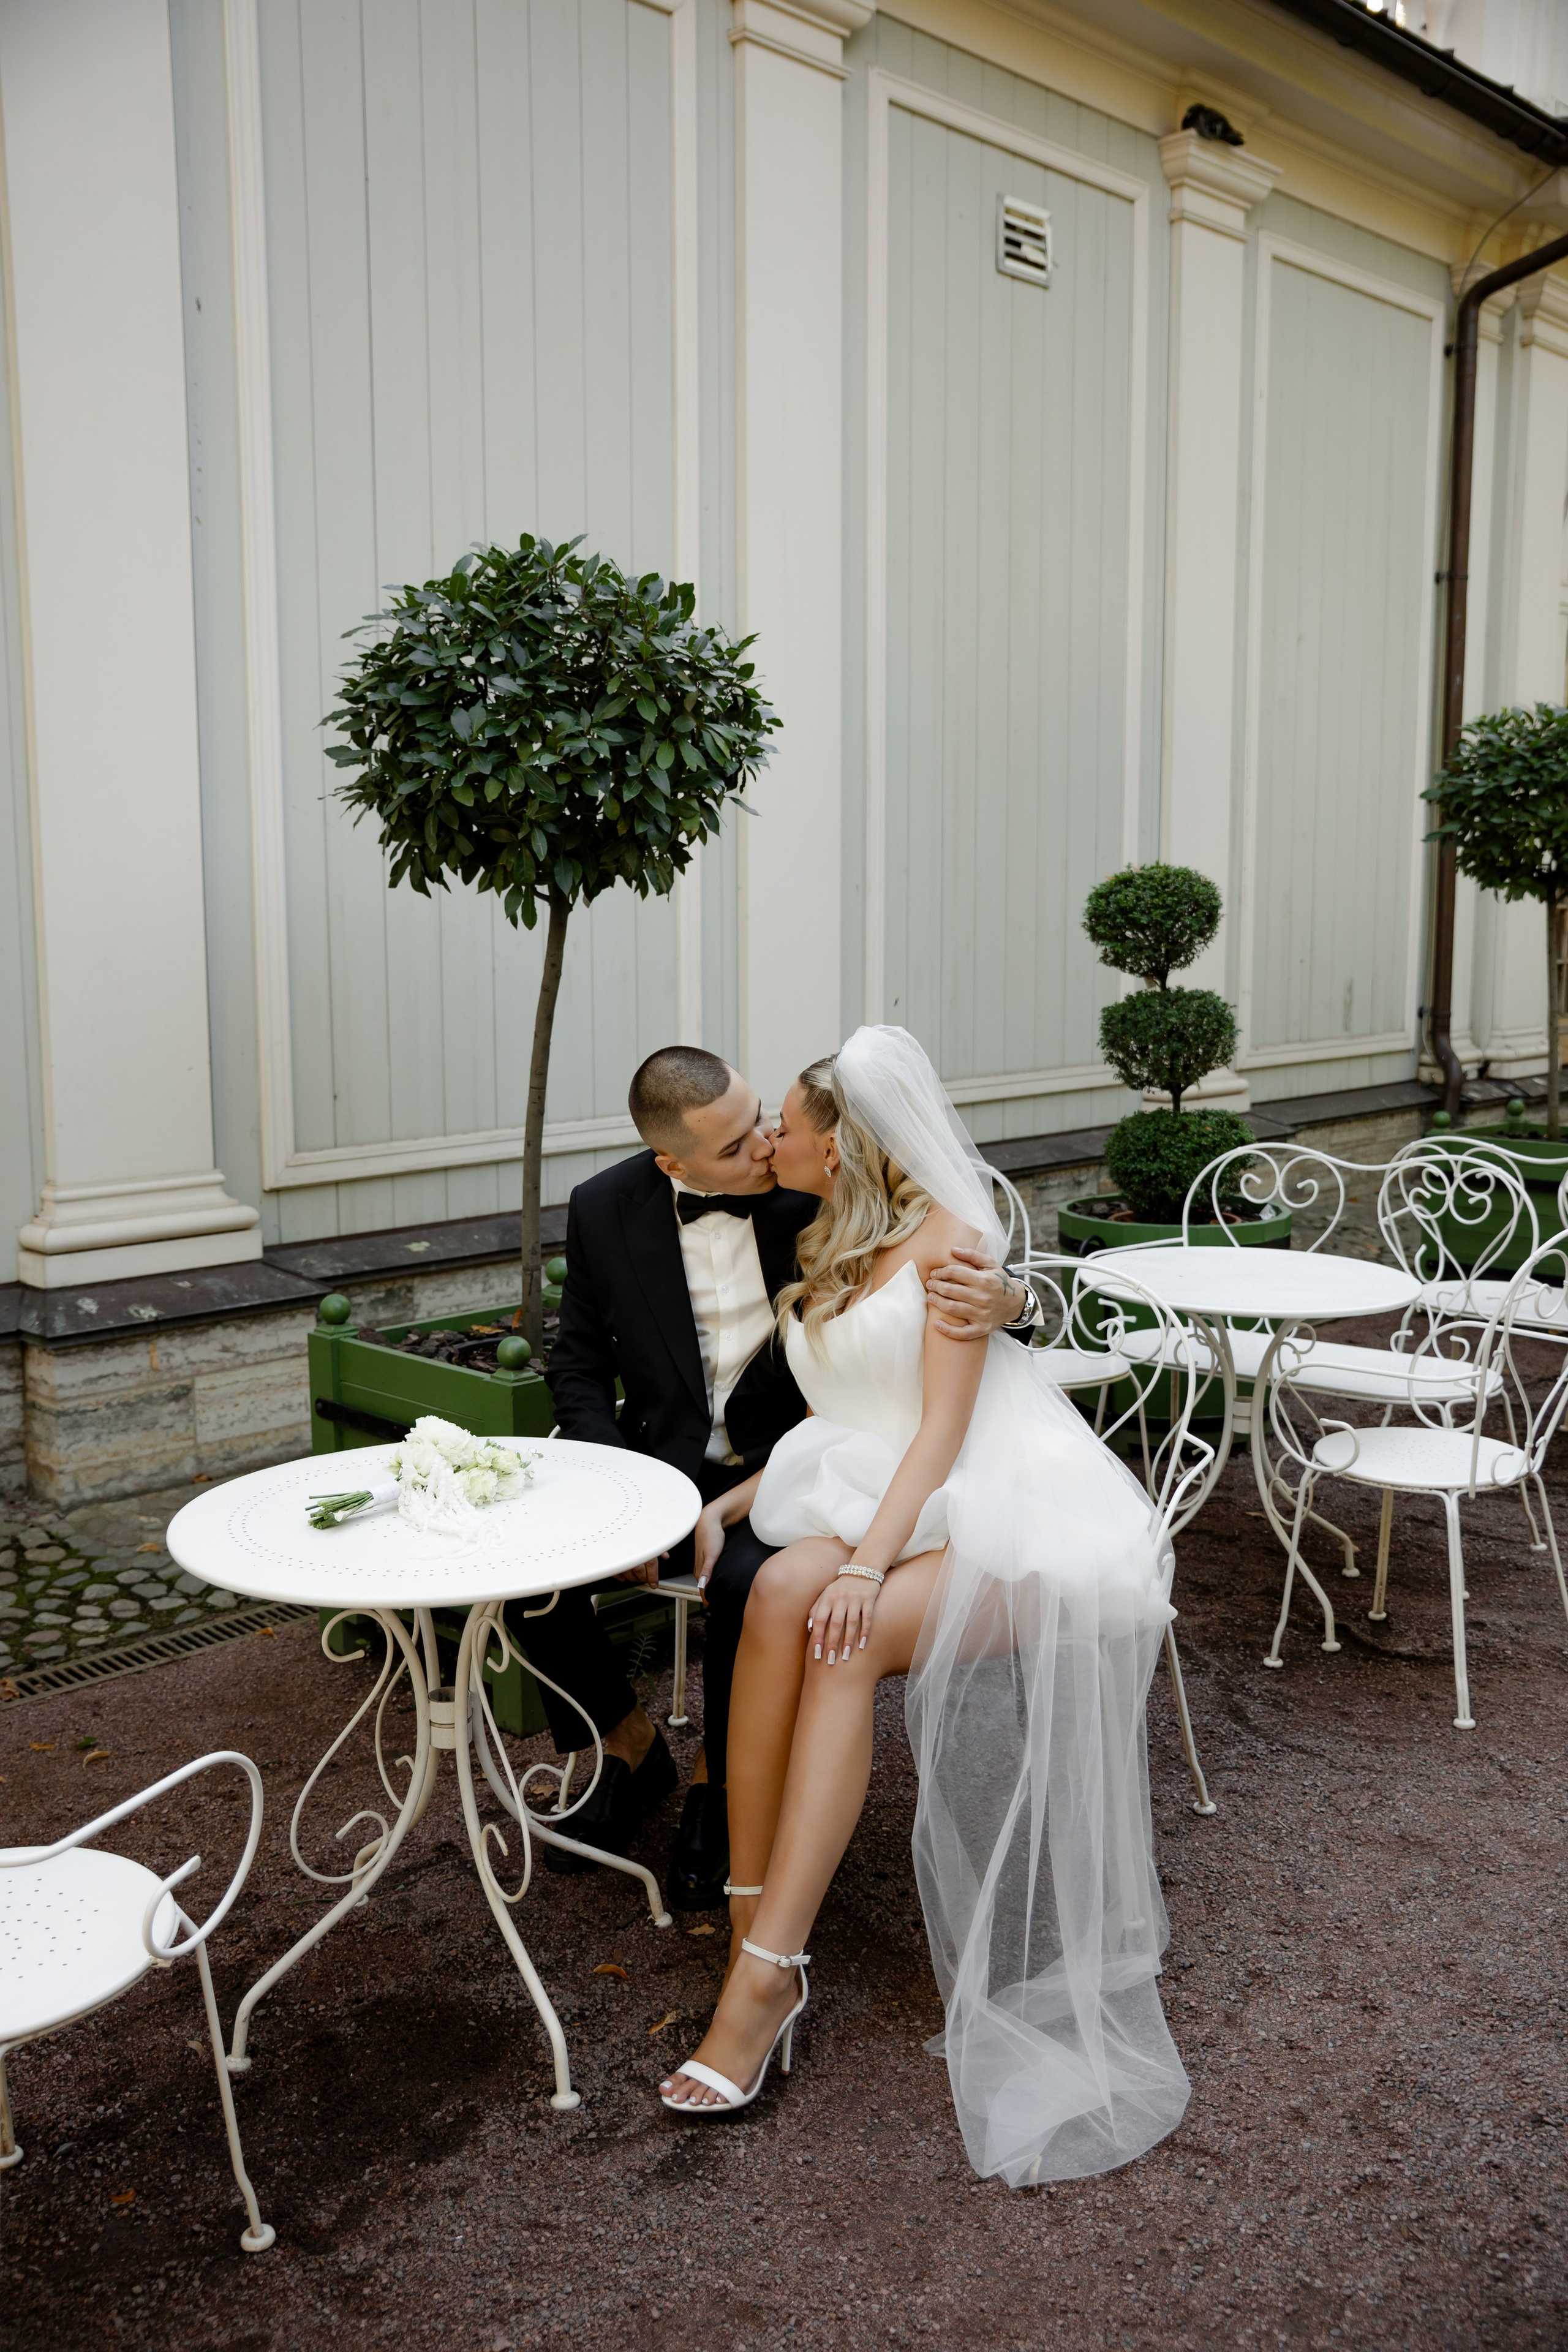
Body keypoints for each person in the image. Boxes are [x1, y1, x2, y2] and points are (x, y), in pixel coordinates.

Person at [658, 1028, 1189, 2186]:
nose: (768, 1142)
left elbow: (944, 1431)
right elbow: (857, 1412)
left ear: (841, 1143)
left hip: (1012, 1514)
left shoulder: (954, 1246)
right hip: (898, 1493)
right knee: (776, 1595)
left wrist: (865, 1569)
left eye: (784, 1128)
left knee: (838, 1631)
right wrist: (735, 1500)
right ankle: (754, 1912)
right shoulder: (834, 1234)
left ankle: (767, 1977)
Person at [518, 1045, 1036, 1907]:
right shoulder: (603, 1209)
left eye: (764, 1120)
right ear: (670, 1162)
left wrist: (1014, 1298)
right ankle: (627, 1742)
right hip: (659, 1467)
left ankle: (721, 1787)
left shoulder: (816, 1179)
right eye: (733, 1146)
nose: (763, 1146)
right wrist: (627, 1497)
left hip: (791, 1464)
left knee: (750, 1584)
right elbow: (575, 1365)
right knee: (530, 1575)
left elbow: (951, 1273)